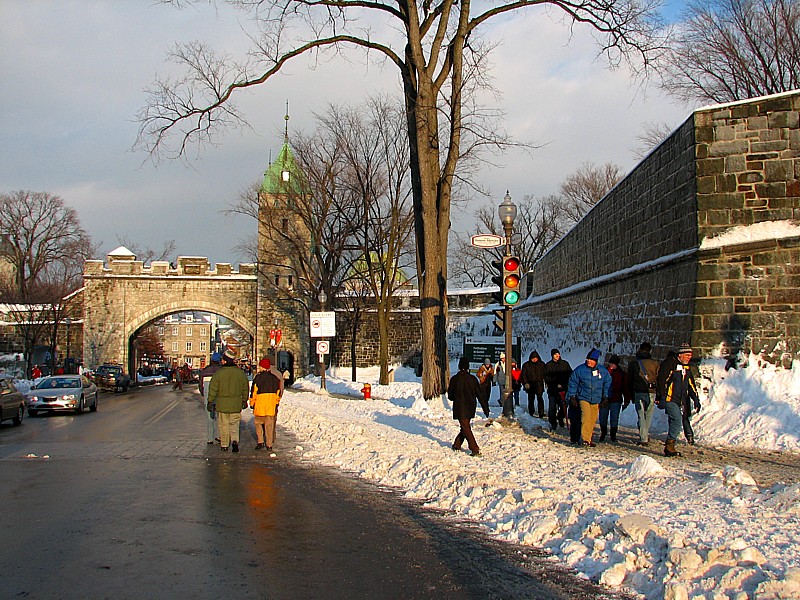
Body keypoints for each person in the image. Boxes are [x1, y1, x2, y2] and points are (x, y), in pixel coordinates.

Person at [656, 343, 701, 457]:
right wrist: (661, 396)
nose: (689, 357)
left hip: (681, 399)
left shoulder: (687, 367)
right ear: (680, 355)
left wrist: (696, 399)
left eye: (690, 355)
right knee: (677, 419)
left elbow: (691, 384)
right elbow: (661, 380)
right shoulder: (670, 364)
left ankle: (669, 446)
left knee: (674, 420)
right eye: (686, 355)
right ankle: (670, 444)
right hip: (669, 398)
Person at [208, 348, 250, 453]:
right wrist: (244, 400)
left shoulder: (219, 373)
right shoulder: (240, 373)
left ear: (225, 361)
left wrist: (210, 401)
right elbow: (245, 387)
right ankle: (235, 440)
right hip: (236, 403)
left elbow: (213, 388)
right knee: (234, 424)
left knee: (223, 425)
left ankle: (225, 444)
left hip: (222, 404)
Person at [567, 348, 611, 447]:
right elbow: (573, 383)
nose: (589, 362)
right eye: (588, 359)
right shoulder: (580, 370)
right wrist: (572, 396)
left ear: (595, 361)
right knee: (586, 416)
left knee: (592, 418)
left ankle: (588, 437)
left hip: (596, 398)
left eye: (591, 360)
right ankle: (584, 439)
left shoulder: (602, 371)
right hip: (583, 397)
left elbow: (607, 384)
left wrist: (605, 397)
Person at [627, 342, 660, 446]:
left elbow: (629, 380)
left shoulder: (634, 364)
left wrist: (630, 394)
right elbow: (658, 378)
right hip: (651, 391)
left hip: (638, 391)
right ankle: (645, 435)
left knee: (641, 414)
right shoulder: (655, 363)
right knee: (648, 414)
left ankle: (643, 437)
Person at [447, 356, 482, 457]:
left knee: (465, 427)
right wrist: (485, 407)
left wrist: (456, 398)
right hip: (471, 406)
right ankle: (457, 444)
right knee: (465, 426)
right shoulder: (472, 379)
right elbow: (479, 393)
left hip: (459, 406)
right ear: (468, 367)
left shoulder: (454, 379)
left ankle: (474, 448)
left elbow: (450, 396)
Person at [250, 358, 283, 452]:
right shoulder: (275, 379)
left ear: (262, 367)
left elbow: (254, 392)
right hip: (270, 406)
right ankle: (269, 444)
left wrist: (252, 403)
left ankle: (260, 441)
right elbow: (278, 393)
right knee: (269, 426)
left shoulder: (258, 378)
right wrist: (276, 403)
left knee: (258, 424)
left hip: (260, 405)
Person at [599, 355, 628, 442]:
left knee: (614, 418)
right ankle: (603, 432)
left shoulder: (621, 374)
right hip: (604, 398)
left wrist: (626, 399)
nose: (612, 365)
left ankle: (613, 435)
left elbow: (625, 387)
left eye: (613, 364)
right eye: (611, 363)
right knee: (602, 417)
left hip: (616, 398)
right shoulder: (604, 372)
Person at [544, 349, 572, 431]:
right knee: (552, 408)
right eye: (555, 354)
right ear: (552, 355)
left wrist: (564, 384)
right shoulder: (548, 365)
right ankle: (553, 422)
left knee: (563, 407)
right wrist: (555, 383)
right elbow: (546, 377)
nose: (557, 356)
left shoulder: (565, 364)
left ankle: (560, 418)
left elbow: (570, 374)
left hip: (563, 390)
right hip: (553, 390)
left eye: (558, 354)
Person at [199, 352, 222, 445]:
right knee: (219, 417)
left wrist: (203, 393)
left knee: (210, 417)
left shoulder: (205, 371)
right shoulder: (221, 371)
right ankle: (219, 436)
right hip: (219, 396)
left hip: (208, 396)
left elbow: (200, 385)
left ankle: (210, 438)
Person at [520, 350, 546, 419]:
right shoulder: (526, 365)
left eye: (535, 358)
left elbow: (546, 374)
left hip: (539, 384)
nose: (534, 359)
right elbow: (523, 375)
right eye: (533, 358)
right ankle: (531, 412)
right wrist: (525, 383)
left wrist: (546, 382)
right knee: (531, 399)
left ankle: (541, 412)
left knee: (540, 399)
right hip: (530, 385)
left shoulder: (542, 364)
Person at [495, 352, 513, 418]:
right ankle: (502, 403)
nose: (503, 359)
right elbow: (495, 372)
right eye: (502, 358)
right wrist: (494, 380)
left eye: (504, 358)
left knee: (506, 392)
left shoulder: (508, 363)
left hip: (507, 380)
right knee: (502, 392)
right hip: (500, 380)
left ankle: (504, 402)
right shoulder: (498, 364)